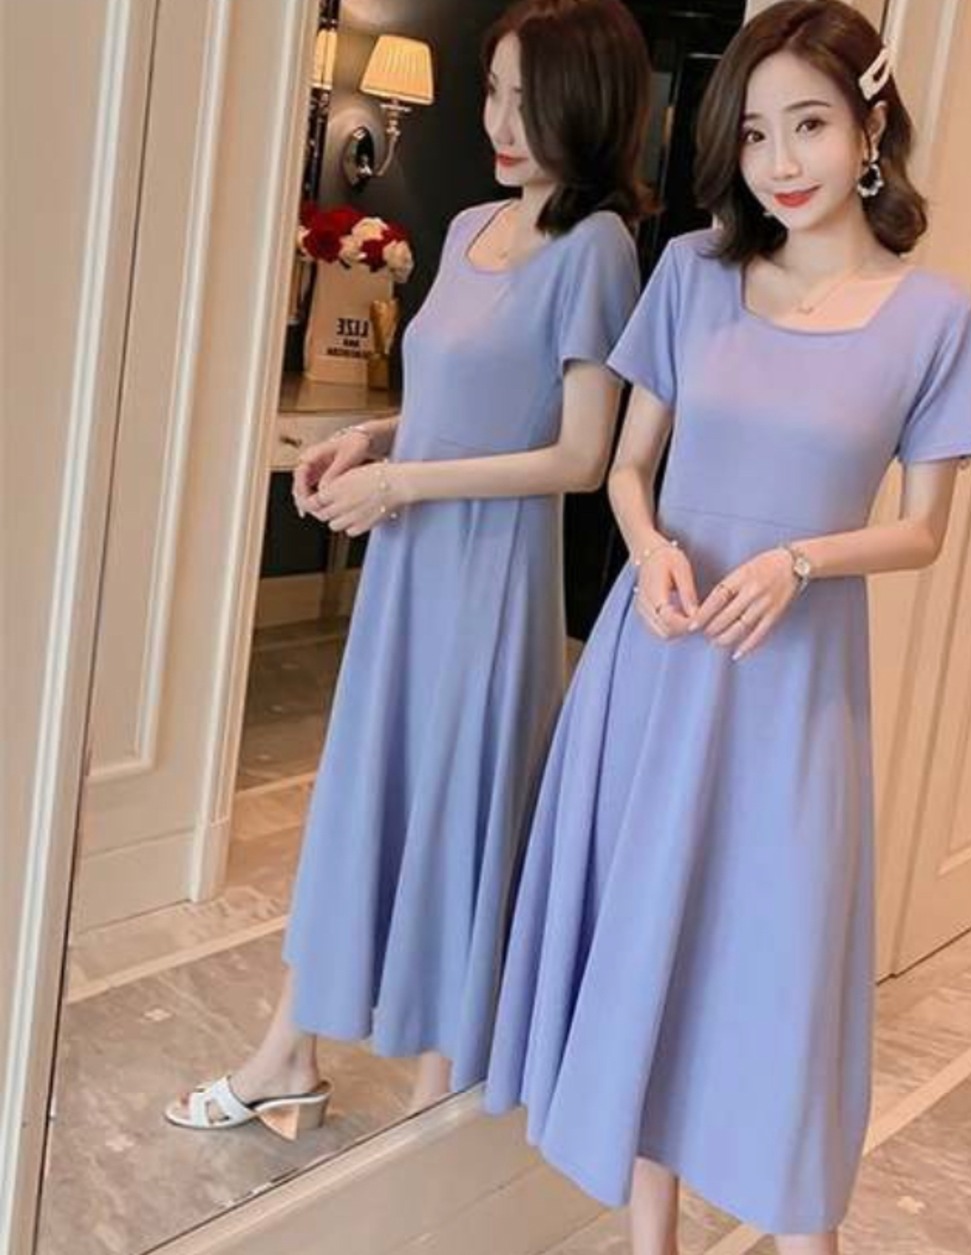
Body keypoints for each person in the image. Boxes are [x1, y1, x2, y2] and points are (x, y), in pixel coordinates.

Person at [481, 1, 971, 1250]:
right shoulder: (692, 276)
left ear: (869, 128)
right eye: (755, 133)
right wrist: (651, 548)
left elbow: (923, 531)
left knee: (775, 960)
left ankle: (799, 1224)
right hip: (655, 659)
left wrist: (798, 560)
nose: (779, 162)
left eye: (807, 125)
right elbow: (626, 468)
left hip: (792, 685)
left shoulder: (933, 319)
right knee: (644, 939)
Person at [166, 0, 652, 1138]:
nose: (503, 123)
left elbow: (580, 458)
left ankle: (440, 1098)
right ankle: (291, 1050)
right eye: (494, 93)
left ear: (589, 107)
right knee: (364, 797)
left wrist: (404, 485)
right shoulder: (474, 222)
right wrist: (368, 442)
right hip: (411, 570)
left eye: (531, 101)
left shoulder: (596, 248)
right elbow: (447, 401)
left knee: (455, 816)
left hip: (490, 580)